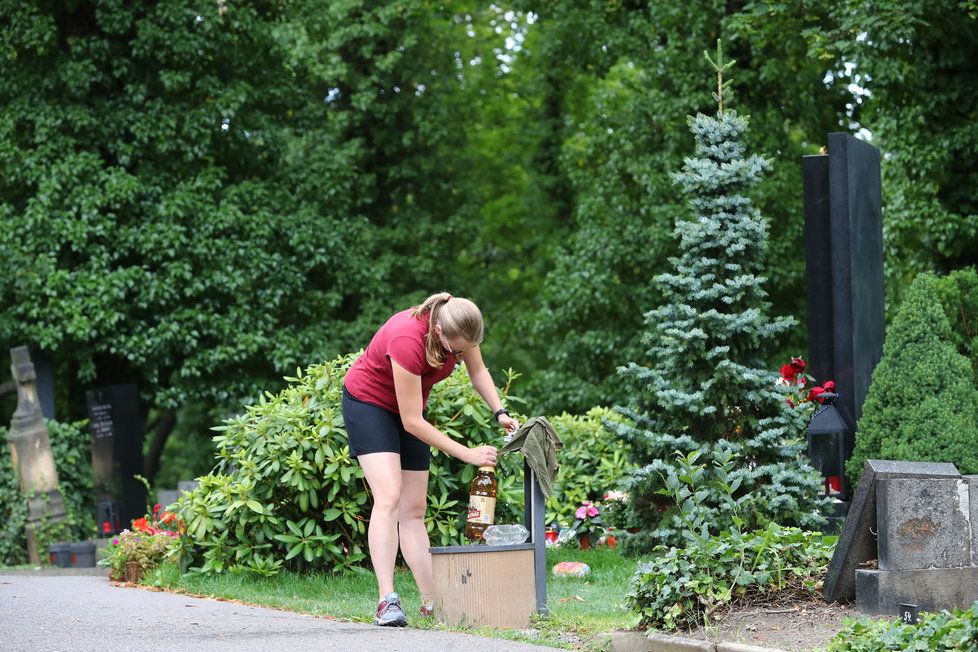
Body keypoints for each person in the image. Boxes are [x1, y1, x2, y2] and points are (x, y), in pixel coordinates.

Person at [342, 292, 519, 627]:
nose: (460, 356)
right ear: (438, 331)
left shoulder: (461, 322)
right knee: (390, 495)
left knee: (414, 509)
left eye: (465, 350)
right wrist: (467, 454)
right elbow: (411, 422)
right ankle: (386, 601)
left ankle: (430, 603)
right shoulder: (407, 339)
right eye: (456, 352)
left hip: (410, 409)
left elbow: (477, 371)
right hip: (369, 404)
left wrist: (500, 412)